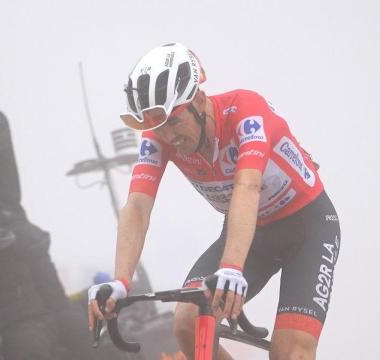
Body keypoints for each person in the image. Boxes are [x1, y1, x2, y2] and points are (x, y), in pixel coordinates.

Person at [87, 43, 341, 360]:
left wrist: (232, 269)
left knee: (291, 353)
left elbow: (247, 185)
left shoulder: (246, 111)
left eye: (174, 122)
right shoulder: (158, 138)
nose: (168, 136)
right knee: (188, 323)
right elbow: (138, 205)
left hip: (307, 229)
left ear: (200, 100)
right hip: (252, 232)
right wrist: (120, 280)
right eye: (158, 127)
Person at [0, 57, 99, 360]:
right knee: (40, 335)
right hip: (16, 249)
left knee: (64, 329)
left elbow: (8, 193)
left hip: (17, 244)